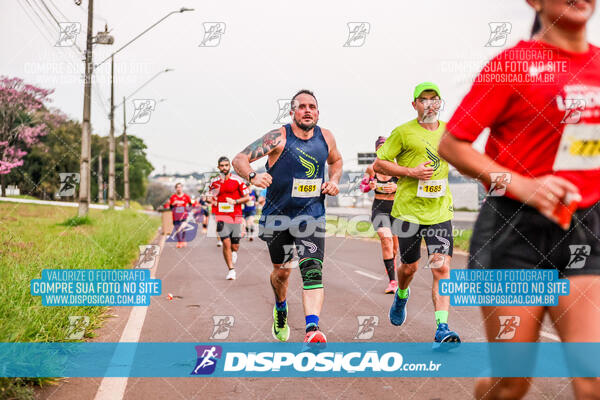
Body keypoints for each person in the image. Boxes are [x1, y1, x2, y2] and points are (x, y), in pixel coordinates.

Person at [438, 1, 600, 398]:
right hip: (514, 233)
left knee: (593, 375)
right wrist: (522, 185)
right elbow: (453, 144)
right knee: (511, 384)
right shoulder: (513, 65)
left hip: (584, 229)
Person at [232, 89, 342, 346]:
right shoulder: (278, 138)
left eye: (312, 106)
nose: (307, 110)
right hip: (277, 217)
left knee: (312, 270)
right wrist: (252, 177)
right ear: (292, 111)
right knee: (282, 273)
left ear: (317, 112)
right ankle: (280, 308)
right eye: (301, 106)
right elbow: (240, 159)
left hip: (311, 215)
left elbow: (336, 161)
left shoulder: (326, 137)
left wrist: (334, 181)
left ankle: (312, 329)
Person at [374, 82, 460, 350]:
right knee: (409, 267)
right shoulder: (402, 132)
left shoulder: (450, 131)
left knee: (441, 267)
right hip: (408, 212)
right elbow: (379, 163)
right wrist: (410, 172)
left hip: (439, 212)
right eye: (424, 100)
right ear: (415, 104)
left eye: (435, 99)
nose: (430, 104)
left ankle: (442, 328)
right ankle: (401, 294)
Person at [360, 136, 399, 293]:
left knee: (395, 248)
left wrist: (397, 188)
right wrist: (369, 186)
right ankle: (393, 282)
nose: (382, 149)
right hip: (380, 208)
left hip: (396, 209)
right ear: (376, 149)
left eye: (385, 146)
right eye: (380, 147)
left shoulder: (397, 167)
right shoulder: (371, 169)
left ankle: (391, 263)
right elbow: (362, 187)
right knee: (386, 239)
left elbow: (408, 186)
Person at [208, 157, 250, 280]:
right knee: (226, 243)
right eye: (222, 165)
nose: (224, 168)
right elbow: (210, 196)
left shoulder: (237, 180)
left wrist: (235, 201)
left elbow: (247, 197)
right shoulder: (214, 182)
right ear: (218, 167)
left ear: (229, 167)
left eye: (226, 165)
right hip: (221, 216)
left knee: (234, 245)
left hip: (235, 216)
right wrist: (212, 200)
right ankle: (231, 270)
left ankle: (234, 252)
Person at [165, 183, 193, 248]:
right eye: (177, 187)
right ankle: (179, 242)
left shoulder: (186, 196)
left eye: (180, 187)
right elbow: (170, 207)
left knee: (183, 228)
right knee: (177, 229)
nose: (179, 188)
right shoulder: (173, 197)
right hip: (176, 216)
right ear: (176, 189)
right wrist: (173, 204)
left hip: (184, 215)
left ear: (182, 188)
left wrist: (187, 209)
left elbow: (190, 205)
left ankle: (183, 240)